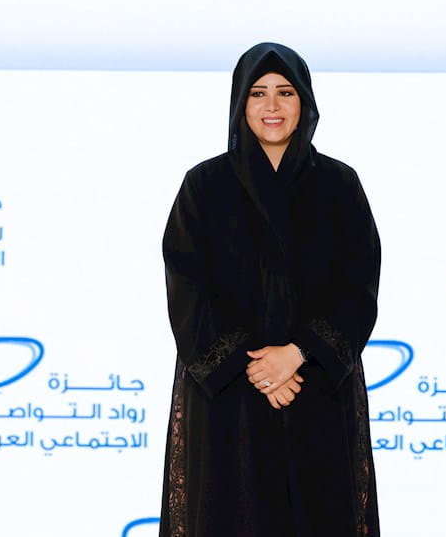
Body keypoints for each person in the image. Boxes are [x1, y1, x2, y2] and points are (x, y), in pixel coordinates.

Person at [159, 42, 381, 537]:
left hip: (315, 385)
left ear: (306, 102)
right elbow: (187, 286)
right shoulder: (204, 185)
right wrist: (257, 366)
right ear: (240, 103)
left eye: (285, 92)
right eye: (258, 93)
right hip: (228, 395)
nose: (272, 106)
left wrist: (298, 354)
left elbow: (359, 285)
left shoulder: (340, 185)